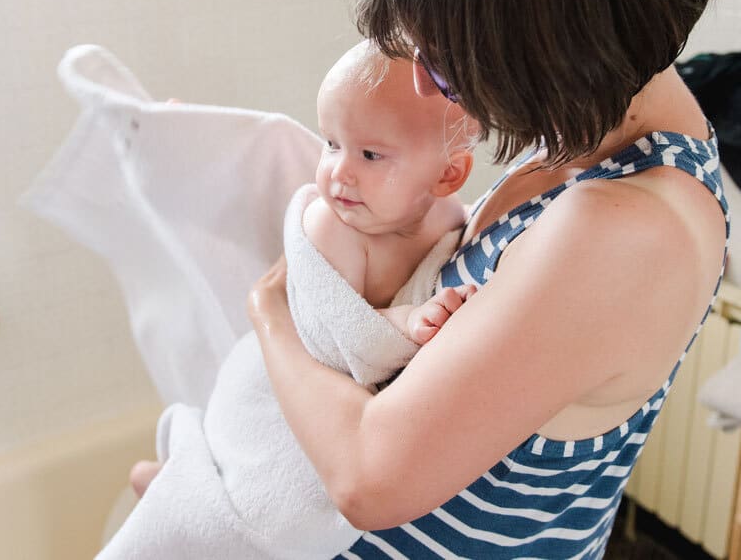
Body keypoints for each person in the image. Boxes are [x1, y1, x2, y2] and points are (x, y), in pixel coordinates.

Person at [245, 0, 726, 557]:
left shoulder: (622, 228)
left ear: (553, 41)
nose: (421, 86)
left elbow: (368, 482)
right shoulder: (586, 130)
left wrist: (269, 311)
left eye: (444, 65)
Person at [112, 41, 480, 559]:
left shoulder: (452, 218)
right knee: (252, 511)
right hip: (268, 391)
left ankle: (173, 486)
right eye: (331, 143)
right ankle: (178, 492)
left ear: (447, 176)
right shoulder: (332, 226)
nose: (337, 171)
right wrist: (402, 322)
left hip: (307, 384)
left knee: (220, 516)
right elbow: (329, 336)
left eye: (370, 154)